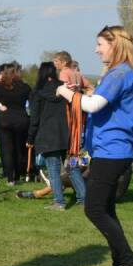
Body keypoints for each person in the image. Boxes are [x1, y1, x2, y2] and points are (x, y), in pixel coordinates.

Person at [56, 25, 133, 266]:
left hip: (112, 151)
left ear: (114, 45)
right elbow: (100, 100)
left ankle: (129, 265)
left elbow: (94, 105)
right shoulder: (123, 72)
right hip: (112, 150)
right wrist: (81, 93)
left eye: (100, 44)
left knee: (93, 208)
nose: (96, 49)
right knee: (106, 208)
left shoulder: (119, 73)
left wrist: (66, 93)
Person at [25, 62, 87, 210]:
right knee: (73, 168)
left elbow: (35, 119)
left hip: (48, 137)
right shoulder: (65, 89)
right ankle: (84, 199)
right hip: (68, 136)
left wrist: (30, 138)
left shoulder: (38, 92)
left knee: (53, 169)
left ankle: (59, 202)